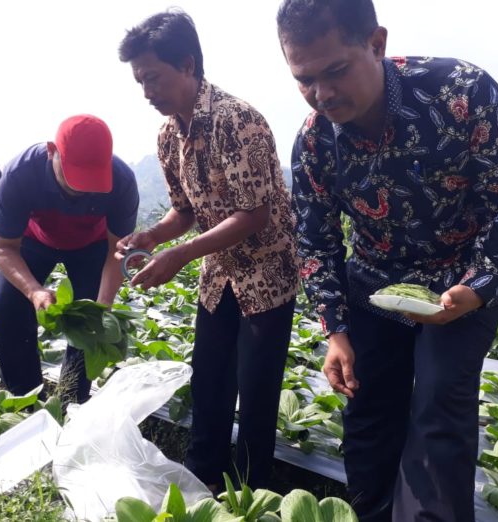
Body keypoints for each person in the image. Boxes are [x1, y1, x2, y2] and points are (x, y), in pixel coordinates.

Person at [276, 1, 498, 520]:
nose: (322, 94)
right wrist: (335, 330)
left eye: (336, 72)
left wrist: (478, 286)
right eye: (305, 79)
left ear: (376, 44)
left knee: (439, 403)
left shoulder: (462, 92)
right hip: (375, 284)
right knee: (368, 408)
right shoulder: (314, 143)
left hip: (461, 282)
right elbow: (315, 240)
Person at [117, 9, 300, 492]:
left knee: (258, 394)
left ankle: (250, 489)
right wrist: (152, 237)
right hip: (219, 273)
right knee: (209, 382)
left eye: (152, 78)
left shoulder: (238, 121)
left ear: (189, 65)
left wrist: (178, 255)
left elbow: (253, 214)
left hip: (267, 272)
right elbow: (184, 210)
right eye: (140, 81)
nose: (147, 92)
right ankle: (203, 480)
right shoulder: (168, 135)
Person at [0, 114, 139, 406]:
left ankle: (71, 403)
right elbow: (4, 248)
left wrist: (103, 306)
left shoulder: (121, 180)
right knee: (6, 310)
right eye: (74, 178)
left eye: (90, 181)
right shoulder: (20, 174)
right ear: (51, 151)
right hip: (34, 242)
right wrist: (34, 291)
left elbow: (116, 251)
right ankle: (25, 401)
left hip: (93, 247)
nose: (82, 189)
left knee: (91, 323)